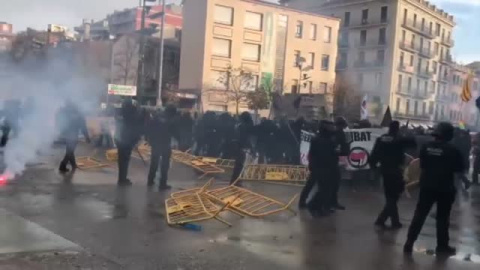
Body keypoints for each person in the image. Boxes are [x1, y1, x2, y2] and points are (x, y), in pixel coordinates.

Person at [404, 122, 464, 256]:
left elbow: (423, 164)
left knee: (419, 214)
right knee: (442, 218)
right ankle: (442, 246)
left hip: (427, 185)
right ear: (449, 135)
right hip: (444, 188)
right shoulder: (453, 150)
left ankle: (409, 242)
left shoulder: (426, 147)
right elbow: (459, 168)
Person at [370, 121, 415, 230]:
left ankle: (390, 221)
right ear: (398, 128)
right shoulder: (399, 139)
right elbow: (413, 144)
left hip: (384, 170)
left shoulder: (381, 138)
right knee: (394, 197)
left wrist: (373, 167)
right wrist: (407, 132)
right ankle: (385, 220)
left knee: (390, 196)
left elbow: (374, 154)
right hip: (396, 170)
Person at [302, 120, 339, 217]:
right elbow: (314, 154)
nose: (333, 128)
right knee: (324, 189)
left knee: (326, 189)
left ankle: (318, 207)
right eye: (330, 126)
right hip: (322, 167)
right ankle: (312, 205)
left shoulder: (329, 138)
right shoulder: (320, 139)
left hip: (327, 167)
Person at [146, 105, 179, 190]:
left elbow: (149, 128)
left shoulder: (156, 117)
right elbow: (174, 132)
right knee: (165, 164)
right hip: (165, 144)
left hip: (155, 143)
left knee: (154, 162)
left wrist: (150, 139)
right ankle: (162, 183)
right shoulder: (171, 120)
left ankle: (150, 180)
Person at [115, 99, 143, 186]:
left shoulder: (120, 114)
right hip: (127, 141)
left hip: (120, 140)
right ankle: (122, 180)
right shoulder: (132, 116)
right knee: (125, 160)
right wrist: (136, 140)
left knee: (121, 161)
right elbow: (134, 129)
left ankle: (121, 178)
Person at [58, 101, 90, 173]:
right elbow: (83, 127)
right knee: (70, 151)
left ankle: (73, 164)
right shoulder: (80, 115)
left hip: (67, 135)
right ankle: (62, 165)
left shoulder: (68, 113)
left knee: (70, 151)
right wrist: (87, 137)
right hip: (73, 136)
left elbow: (62, 123)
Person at [230, 112, 253, 185]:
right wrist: (248, 147)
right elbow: (245, 138)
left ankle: (236, 181)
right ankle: (235, 181)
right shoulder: (244, 126)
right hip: (240, 147)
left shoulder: (240, 125)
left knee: (238, 165)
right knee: (239, 165)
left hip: (237, 146)